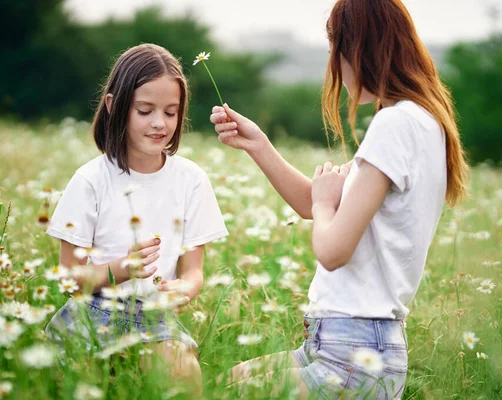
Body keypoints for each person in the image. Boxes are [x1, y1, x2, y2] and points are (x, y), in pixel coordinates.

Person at [210, 0, 469, 398]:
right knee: (233, 380)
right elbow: (313, 203)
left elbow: (332, 249)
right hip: (345, 342)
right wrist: (258, 145)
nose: (335, 63)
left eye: (336, 48)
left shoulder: (395, 124)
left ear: (357, 48)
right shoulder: (421, 120)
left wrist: (323, 203)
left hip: (356, 349)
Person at [45, 43, 228, 393]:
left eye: (171, 112)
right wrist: (121, 269)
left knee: (182, 373)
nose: (160, 123)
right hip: (93, 312)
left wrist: (185, 288)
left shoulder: (191, 180)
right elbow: (68, 279)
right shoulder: (91, 180)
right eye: (145, 110)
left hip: (155, 317)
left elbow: (193, 270)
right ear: (115, 106)